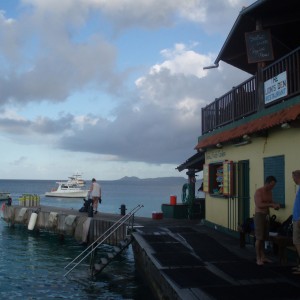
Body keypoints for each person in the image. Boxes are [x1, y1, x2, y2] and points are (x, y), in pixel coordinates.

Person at [254, 175, 280, 265]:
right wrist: (271, 205)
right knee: (259, 238)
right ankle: (258, 258)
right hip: (259, 215)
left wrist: (275, 205)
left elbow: (270, 202)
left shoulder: (270, 192)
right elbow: (259, 204)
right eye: (272, 185)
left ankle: (263, 257)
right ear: (267, 183)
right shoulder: (259, 191)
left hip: (266, 215)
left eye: (274, 186)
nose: (272, 187)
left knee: (264, 237)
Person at [292, 170, 300, 274]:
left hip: (298, 219)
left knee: (297, 242)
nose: (292, 179)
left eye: (293, 177)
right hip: (296, 218)